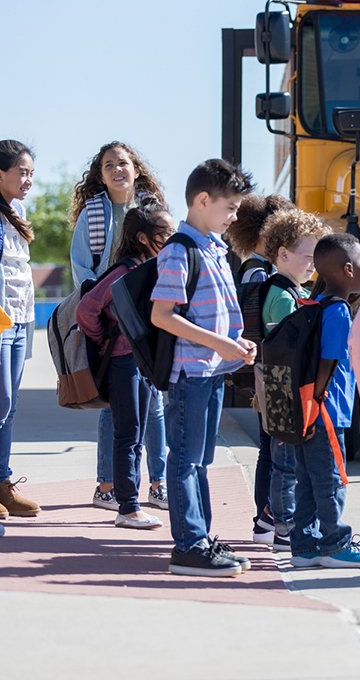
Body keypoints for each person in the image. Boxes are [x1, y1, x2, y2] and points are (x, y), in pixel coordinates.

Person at [151, 159, 257, 576]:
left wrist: (235, 342)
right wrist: (222, 343)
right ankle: (189, 546)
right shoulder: (180, 250)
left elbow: (217, 314)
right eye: (230, 207)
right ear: (202, 200)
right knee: (186, 459)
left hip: (211, 371)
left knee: (199, 459)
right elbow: (164, 315)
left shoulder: (212, 247)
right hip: (191, 374)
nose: (234, 216)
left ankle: (202, 539)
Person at [68, 141, 169, 512]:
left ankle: (158, 483)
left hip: (148, 317)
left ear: (136, 169)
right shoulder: (92, 214)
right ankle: (107, 485)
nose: (117, 170)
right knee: (114, 406)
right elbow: (82, 269)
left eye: (123, 163)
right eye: (108, 165)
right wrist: (104, 308)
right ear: (100, 174)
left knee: (155, 404)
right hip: (110, 320)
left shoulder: (153, 211)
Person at [77, 199, 176, 529]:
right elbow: (87, 308)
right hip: (124, 363)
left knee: (137, 433)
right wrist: (105, 342)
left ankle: (129, 504)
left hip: (144, 364)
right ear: (144, 238)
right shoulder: (125, 271)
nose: (172, 237)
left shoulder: (158, 269)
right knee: (128, 434)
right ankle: (128, 507)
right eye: (165, 232)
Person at [289, 233, 360, 569]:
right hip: (327, 411)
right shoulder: (339, 311)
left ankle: (304, 543)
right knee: (332, 479)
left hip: (310, 410)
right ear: (347, 269)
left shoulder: (315, 304)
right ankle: (335, 543)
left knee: (309, 481)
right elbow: (328, 361)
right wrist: (316, 405)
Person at [256, 208, 330, 551]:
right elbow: (292, 345)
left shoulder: (284, 290)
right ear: (283, 254)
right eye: (308, 257)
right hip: (284, 390)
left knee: (282, 457)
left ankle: (271, 518)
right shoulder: (282, 296)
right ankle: (284, 525)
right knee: (286, 462)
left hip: (278, 387)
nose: (313, 265)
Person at [224, 193, 295, 545]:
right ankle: (270, 519)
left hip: (263, 372)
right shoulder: (260, 271)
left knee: (270, 447)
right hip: (269, 372)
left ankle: (265, 519)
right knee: (274, 448)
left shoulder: (255, 266)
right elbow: (255, 328)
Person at [0, 140, 41, 524]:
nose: (28, 179)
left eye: (31, 172)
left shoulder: (19, 210)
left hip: (20, 319)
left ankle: (3, 484)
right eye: (22, 172)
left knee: (9, 408)